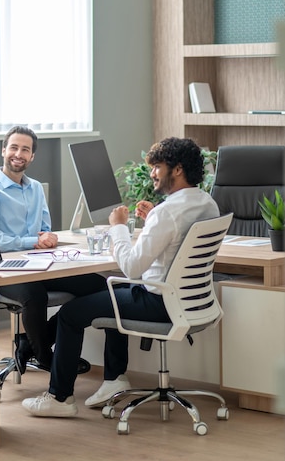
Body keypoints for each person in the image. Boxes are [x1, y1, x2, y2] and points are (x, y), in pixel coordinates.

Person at [21, 137, 220, 417]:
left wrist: (118, 228)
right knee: (109, 294)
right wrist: (153, 220)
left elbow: (131, 267)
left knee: (70, 313)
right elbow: (177, 237)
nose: (152, 173)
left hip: (158, 301)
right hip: (191, 300)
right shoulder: (206, 203)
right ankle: (115, 378)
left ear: (177, 170)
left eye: (157, 167)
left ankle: (59, 398)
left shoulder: (168, 213)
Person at [0, 125, 107, 372]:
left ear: (32, 156)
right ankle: (44, 355)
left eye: (25, 149)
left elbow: (43, 230)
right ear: (3, 151)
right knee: (34, 295)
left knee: (96, 286)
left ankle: (28, 345)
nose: (18, 154)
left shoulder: (35, 188)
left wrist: (49, 238)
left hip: (39, 265)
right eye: (14, 147)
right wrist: (33, 241)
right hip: (2, 269)